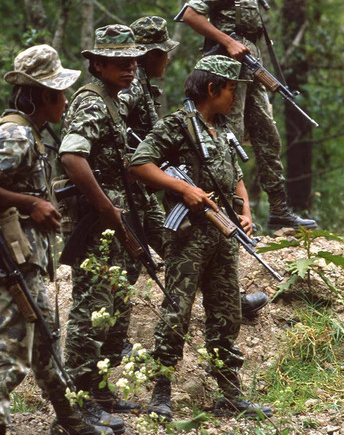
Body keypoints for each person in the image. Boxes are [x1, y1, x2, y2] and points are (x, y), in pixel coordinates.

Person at [129, 55, 273, 420]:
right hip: (189, 236)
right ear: (212, 88)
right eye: (231, 91)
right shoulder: (176, 125)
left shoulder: (222, 128)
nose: (235, 98)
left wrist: (245, 211)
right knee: (176, 313)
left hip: (225, 234)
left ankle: (229, 392)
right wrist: (184, 189)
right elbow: (139, 163)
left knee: (226, 314)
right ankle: (161, 390)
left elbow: (235, 175)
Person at [0, 44, 115, 435]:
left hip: (25, 262)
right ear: (40, 97)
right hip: (12, 264)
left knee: (47, 343)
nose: (65, 101)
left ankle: (71, 421)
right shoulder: (15, 135)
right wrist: (31, 202)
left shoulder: (27, 134)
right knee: (12, 356)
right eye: (60, 94)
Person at [121, 15, 269, 317]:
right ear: (149, 55)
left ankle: (229, 299)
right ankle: (118, 334)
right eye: (163, 51)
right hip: (130, 182)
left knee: (172, 243)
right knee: (135, 256)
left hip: (150, 180)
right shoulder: (131, 89)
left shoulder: (146, 88)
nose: (167, 57)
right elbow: (123, 140)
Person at [58, 24, 164, 415]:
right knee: (92, 307)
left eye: (133, 62)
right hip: (97, 220)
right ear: (98, 65)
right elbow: (72, 157)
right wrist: (104, 206)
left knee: (115, 305)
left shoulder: (115, 100)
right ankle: (80, 398)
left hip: (116, 217)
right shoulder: (92, 102)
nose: (130, 69)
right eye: (119, 62)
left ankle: (99, 391)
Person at [181, 0, 317, 231]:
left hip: (251, 71)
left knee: (268, 135)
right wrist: (228, 41)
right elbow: (190, 14)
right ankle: (230, 213)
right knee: (229, 140)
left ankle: (280, 210)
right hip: (227, 75)